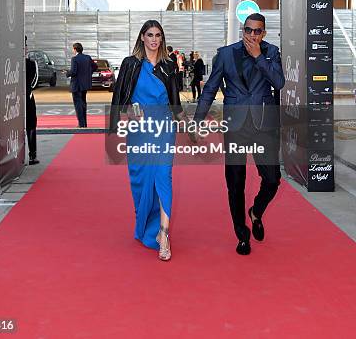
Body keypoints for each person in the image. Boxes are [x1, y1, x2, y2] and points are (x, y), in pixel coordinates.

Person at [194, 13, 285, 256]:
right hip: (235, 127)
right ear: (242, 30)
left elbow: (279, 82)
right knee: (235, 183)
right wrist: (197, 120)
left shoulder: (271, 52)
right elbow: (211, 88)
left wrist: (258, 57)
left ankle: (256, 211)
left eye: (258, 31)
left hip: (263, 126)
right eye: (248, 30)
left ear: (263, 33)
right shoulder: (225, 54)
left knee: (272, 179)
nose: (252, 35)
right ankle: (241, 234)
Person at [109, 20, 187, 262]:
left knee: (163, 176)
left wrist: (191, 127)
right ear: (142, 37)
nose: (154, 39)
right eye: (150, 35)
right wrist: (126, 116)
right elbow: (119, 101)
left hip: (163, 126)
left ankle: (163, 234)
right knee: (142, 181)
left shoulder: (169, 66)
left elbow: (175, 102)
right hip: (139, 129)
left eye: (158, 35)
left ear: (162, 39)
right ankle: (145, 224)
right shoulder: (130, 64)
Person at [66, 43, 97, 128]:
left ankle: (81, 124)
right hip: (85, 85)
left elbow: (73, 72)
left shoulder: (74, 59)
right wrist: (88, 73)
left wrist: (67, 73)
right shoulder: (87, 57)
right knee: (83, 103)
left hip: (76, 85)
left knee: (78, 104)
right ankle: (84, 123)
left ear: (75, 49)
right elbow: (95, 67)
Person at [25, 39, 39, 165]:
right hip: (28, 98)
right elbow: (34, 83)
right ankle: (32, 156)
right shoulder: (31, 64)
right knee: (31, 126)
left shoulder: (8, 63)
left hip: (10, 98)